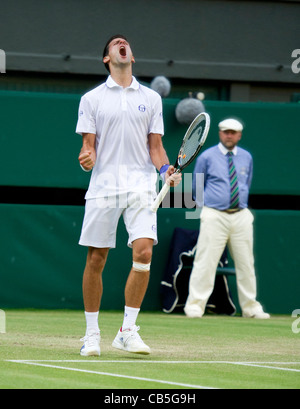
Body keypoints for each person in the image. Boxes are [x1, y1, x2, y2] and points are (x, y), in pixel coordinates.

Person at [75, 34, 181, 356]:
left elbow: (156, 148)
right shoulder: (91, 99)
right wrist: (86, 156)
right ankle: (91, 334)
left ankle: (127, 330)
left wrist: (165, 172)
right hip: (104, 185)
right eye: (114, 43)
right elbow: (88, 145)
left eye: (126, 43)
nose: (122, 44)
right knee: (97, 258)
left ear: (131, 56)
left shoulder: (151, 99)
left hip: (141, 186)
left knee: (144, 254)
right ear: (108, 58)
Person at [184, 118, 270, 319]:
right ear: (220, 133)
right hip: (214, 214)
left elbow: (245, 183)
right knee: (205, 261)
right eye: (225, 132)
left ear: (239, 135)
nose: (229, 135)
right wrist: (209, 208)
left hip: (241, 215)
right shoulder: (206, 156)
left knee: (246, 263)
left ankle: (251, 308)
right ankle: (195, 306)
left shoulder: (246, 157)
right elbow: (196, 186)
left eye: (233, 132)